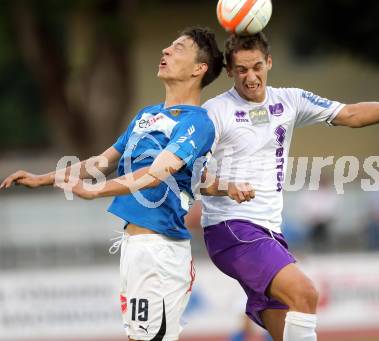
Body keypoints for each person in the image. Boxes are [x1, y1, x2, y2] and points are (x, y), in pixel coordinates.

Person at [200, 32, 379, 341]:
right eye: (241, 69)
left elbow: (349, 114)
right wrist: (227, 187)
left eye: (257, 66)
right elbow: (196, 176)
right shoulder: (214, 111)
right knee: (306, 294)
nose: (251, 76)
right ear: (230, 71)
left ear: (269, 63)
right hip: (231, 229)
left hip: (269, 231)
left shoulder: (290, 100)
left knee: (288, 332)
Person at [0, 27, 224, 341]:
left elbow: (156, 173)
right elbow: (103, 161)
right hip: (135, 249)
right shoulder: (147, 115)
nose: (166, 51)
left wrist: (96, 190)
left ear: (199, 69)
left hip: (160, 252)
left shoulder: (197, 122)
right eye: (169, 45)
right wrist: (46, 178)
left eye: (179, 48)